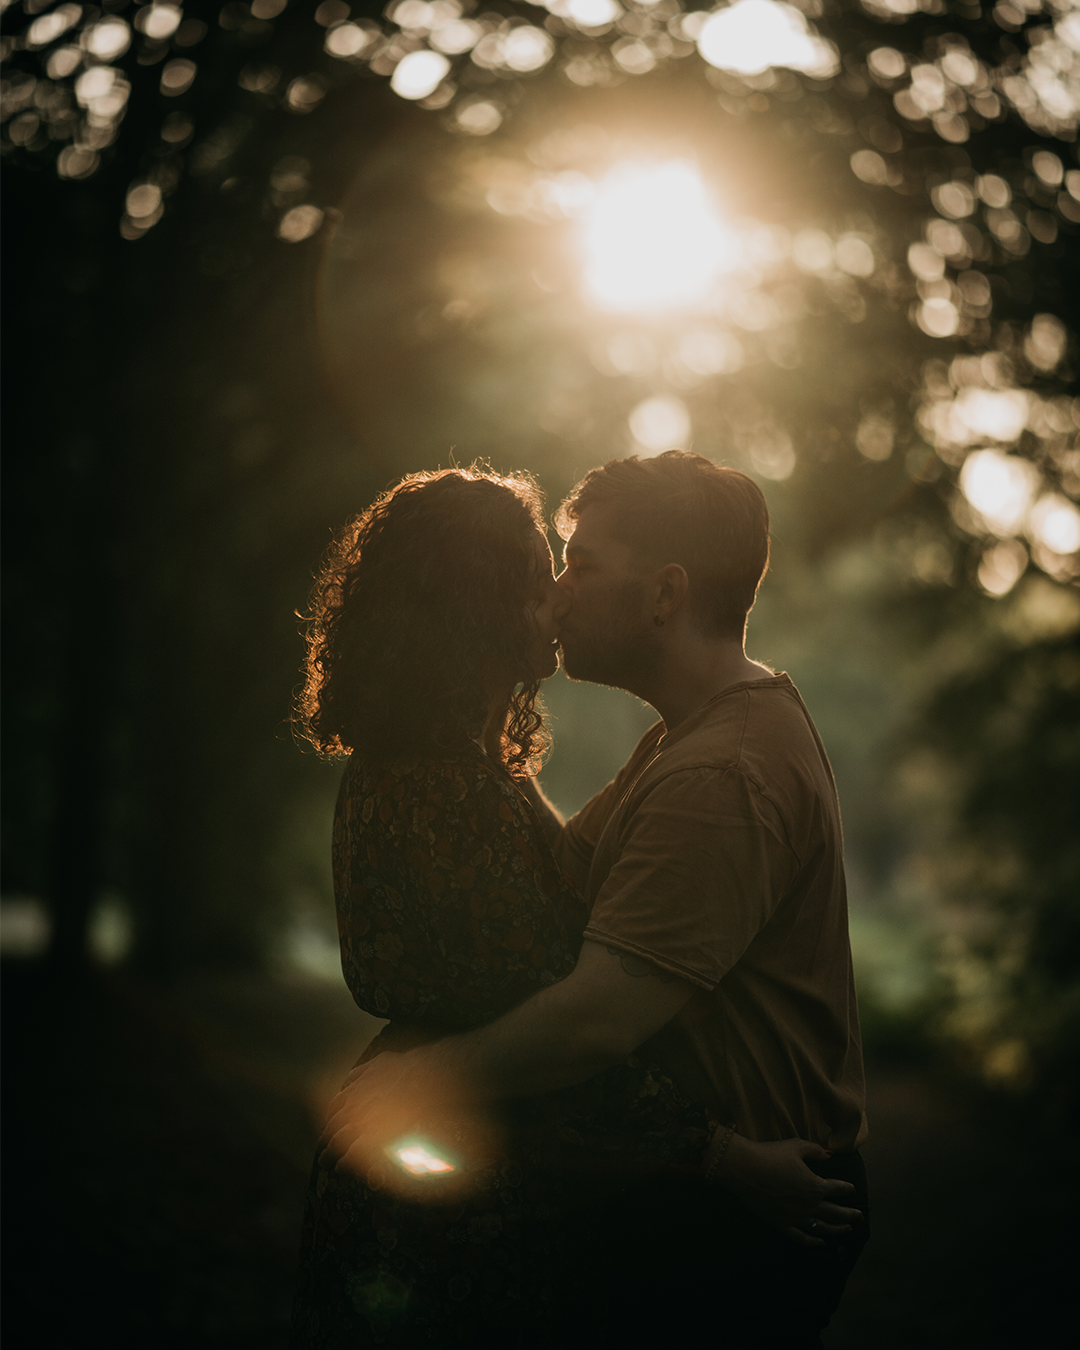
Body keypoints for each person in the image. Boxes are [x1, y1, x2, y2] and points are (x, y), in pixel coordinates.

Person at [319, 452, 869, 1348]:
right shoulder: (687, 741)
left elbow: (590, 1021)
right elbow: (557, 873)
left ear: (665, 593)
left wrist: (423, 1079)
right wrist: (478, 724)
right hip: (685, 1192)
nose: (562, 592)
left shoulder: (719, 773)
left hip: (752, 1210)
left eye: (582, 563)